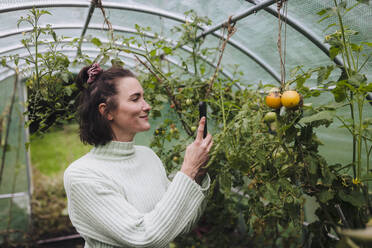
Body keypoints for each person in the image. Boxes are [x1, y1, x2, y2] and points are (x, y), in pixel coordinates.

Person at [63, 63, 213, 248]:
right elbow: (144, 237)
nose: (147, 106)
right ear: (106, 111)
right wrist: (188, 169)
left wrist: (197, 174)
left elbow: (179, 225)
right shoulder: (82, 175)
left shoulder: (148, 157)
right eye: (135, 99)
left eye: (143, 97)